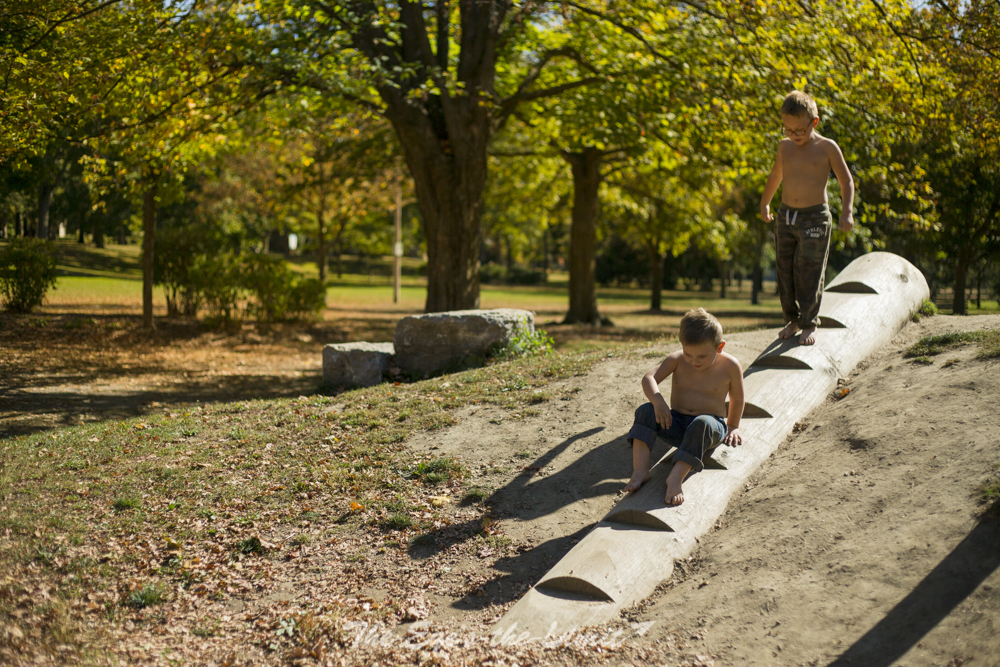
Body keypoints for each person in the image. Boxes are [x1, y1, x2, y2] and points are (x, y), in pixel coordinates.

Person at [760, 90, 855, 345]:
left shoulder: (827, 147)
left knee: (809, 271)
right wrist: (765, 202)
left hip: (815, 219)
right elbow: (775, 176)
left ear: (814, 122)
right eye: (788, 129)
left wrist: (847, 210)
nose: (793, 135)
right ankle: (791, 320)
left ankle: (809, 323)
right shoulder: (784, 147)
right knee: (785, 271)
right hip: (786, 216)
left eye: (799, 130)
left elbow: (846, 180)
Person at [623, 308, 745, 506]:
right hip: (676, 422)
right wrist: (658, 402)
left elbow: (737, 398)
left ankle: (676, 478)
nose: (694, 361)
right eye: (689, 354)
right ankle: (640, 470)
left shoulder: (730, 366)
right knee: (645, 411)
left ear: (719, 347)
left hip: (709, 428)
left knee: (701, 422)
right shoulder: (677, 360)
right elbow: (649, 378)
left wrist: (733, 426)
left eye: (702, 356)